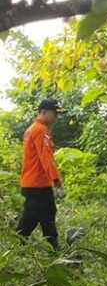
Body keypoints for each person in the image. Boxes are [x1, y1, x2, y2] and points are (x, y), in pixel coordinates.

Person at [16, 99, 66, 250]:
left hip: (36, 182)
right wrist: (56, 180)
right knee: (31, 216)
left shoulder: (33, 129)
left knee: (47, 212)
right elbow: (46, 158)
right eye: (54, 113)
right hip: (36, 184)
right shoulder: (40, 130)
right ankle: (17, 243)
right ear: (43, 112)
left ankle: (53, 244)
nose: (56, 118)